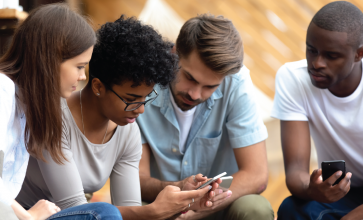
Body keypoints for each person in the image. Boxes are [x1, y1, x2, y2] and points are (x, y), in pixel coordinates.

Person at [17, 16, 221, 220]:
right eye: (131, 99)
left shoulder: (127, 131)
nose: (140, 110)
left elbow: (129, 207)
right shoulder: (53, 117)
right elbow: (77, 210)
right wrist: (153, 210)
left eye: (145, 98)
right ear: (98, 87)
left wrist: (179, 204)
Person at [0, 3, 122, 220]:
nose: (82, 77)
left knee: (103, 212)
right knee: (101, 214)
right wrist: (28, 216)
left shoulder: (29, 107)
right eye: (79, 66)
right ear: (50, 59)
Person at [272, 2, 363, 220]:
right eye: (311, 50)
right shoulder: (293, 79)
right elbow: (296, 170)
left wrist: (355, 217)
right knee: (291, 208)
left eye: (331, 56)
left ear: (359, 54)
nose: (317, 63)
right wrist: (312, 189)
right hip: (342, 195)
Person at [137, 14, 274, 220]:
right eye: (190, 78)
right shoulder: (143, 83)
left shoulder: (236, 83)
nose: (195, 94)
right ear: (174, 54)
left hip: (218, 209)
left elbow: (256, 175)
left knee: (255, 209)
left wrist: (197, 210)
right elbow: (136, 179)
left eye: (210, 86)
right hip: (159, 206)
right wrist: (180, 191)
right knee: (130, 206)